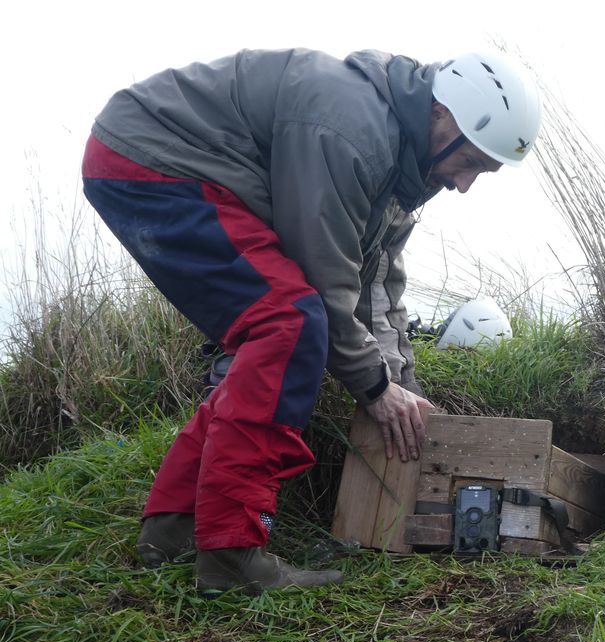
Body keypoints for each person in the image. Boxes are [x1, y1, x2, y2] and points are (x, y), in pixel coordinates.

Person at [81, 47, 542, 595]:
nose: (465, 185)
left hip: (171, 167)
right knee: (290, 323)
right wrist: (372, 387)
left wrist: (398, 391)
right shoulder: (350, 131)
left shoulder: (401, 168)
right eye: (470, 163)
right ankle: (231, 552)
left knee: (274, 329)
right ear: (444, 115)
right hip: (155, 159)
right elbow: (324, 282)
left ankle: (174, 527)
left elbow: (375, 288)